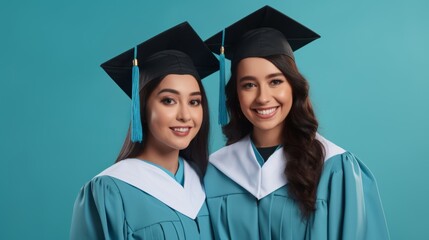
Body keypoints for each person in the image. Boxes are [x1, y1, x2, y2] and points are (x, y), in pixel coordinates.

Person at [203, 6, 390, 240]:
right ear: (235, 94)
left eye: (275, 81)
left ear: (293, 87)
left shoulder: (335, 169)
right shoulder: (214, 172)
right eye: (249, 84)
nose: (262, 97)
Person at [70, 22, 218, 240]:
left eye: (194, 102)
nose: (185, 115)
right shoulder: (109, 191)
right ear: (142, 107)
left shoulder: (208, 182)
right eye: (169, 100)